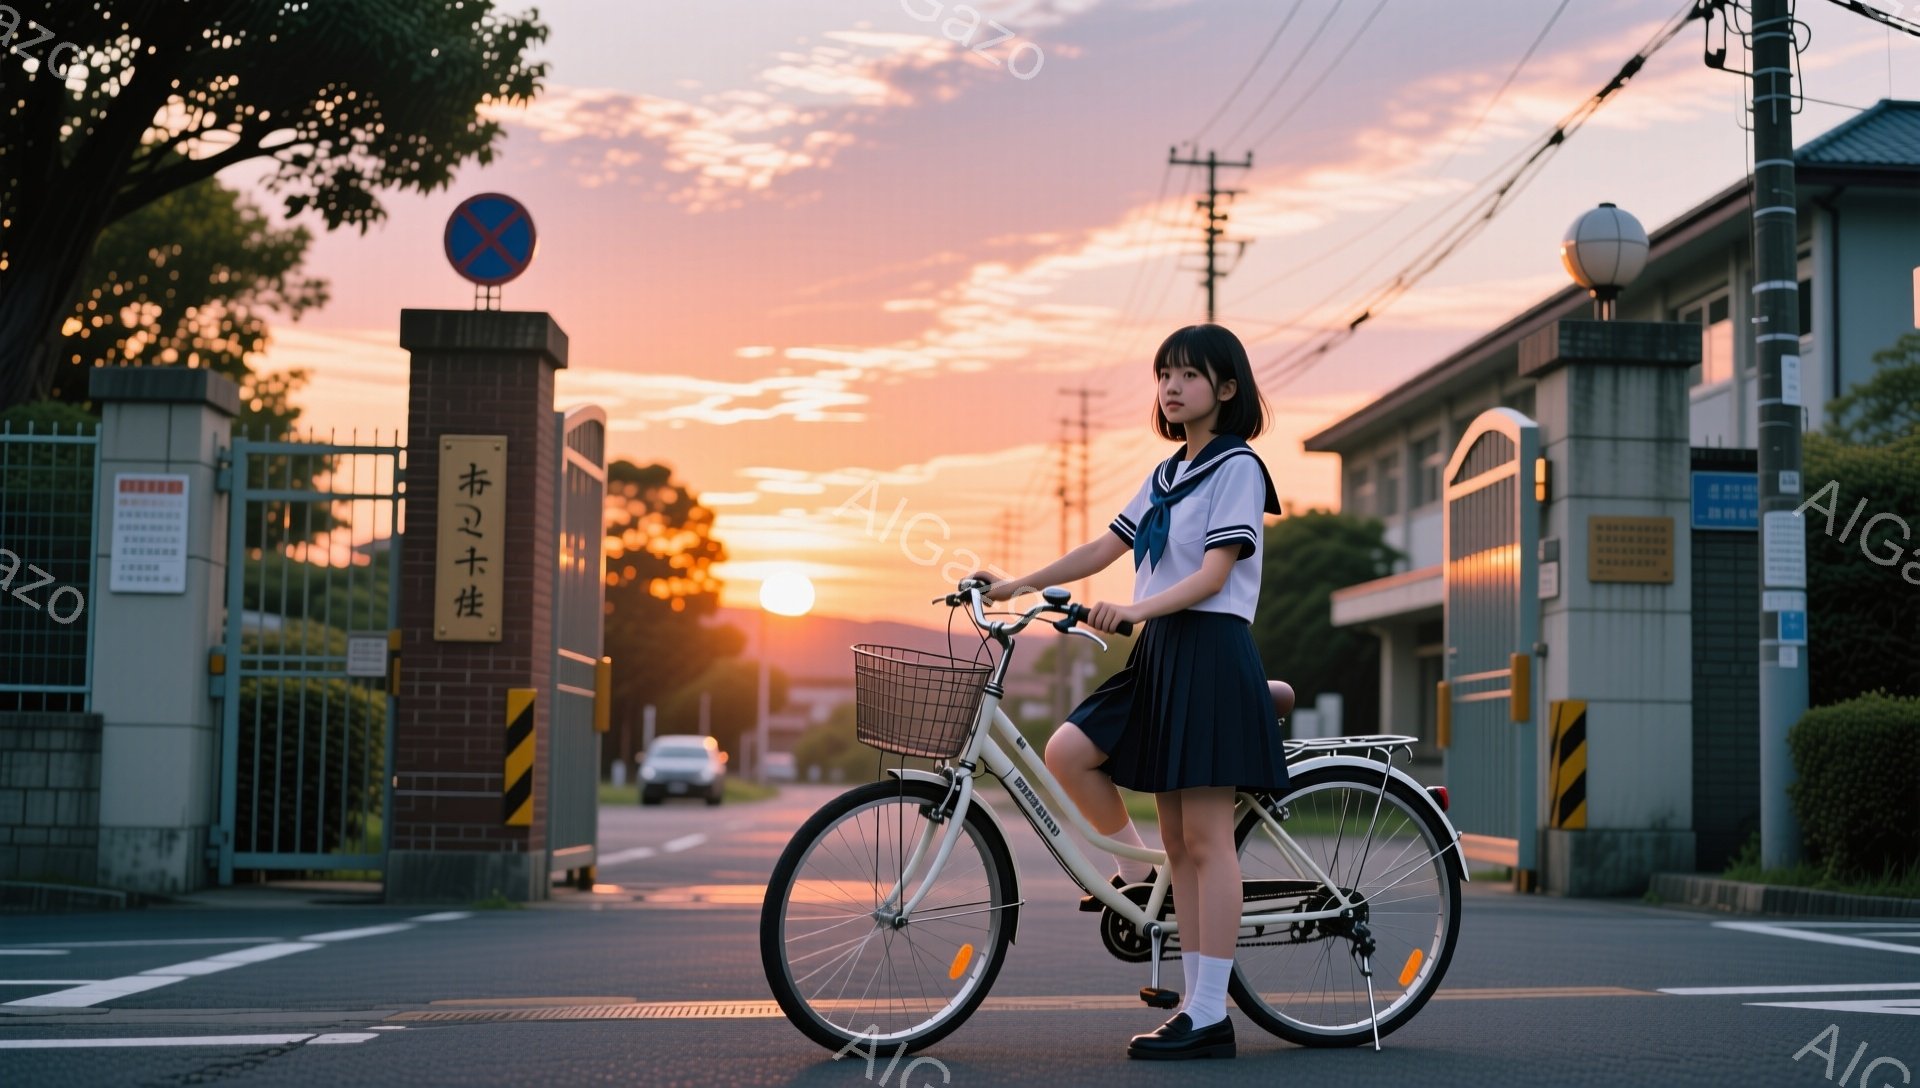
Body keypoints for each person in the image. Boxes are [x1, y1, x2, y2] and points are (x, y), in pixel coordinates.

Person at [970, 323, 1285, 1061]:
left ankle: (1208, 1013)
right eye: (1164, 374)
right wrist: (1016, 584)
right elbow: (1103, 548)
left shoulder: (1239, 467)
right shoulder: (1167, 473)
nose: (1172, 387)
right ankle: (1151, 902)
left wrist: (1135, 609)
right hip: (1164, 652)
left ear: (1227, 389)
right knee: (1140, 811)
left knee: (1204, 839)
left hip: (1209, 649)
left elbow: (1213, 575)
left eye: (1189, 375)